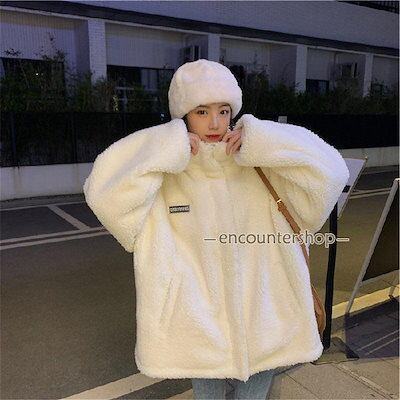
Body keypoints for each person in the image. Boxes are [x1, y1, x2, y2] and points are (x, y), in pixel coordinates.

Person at [83, 59, 349, 399]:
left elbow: (331, 172)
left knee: (256, 388)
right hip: (197, 316)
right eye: (201, 111)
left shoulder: (256, 158)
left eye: (223, 111)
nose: (215, 123)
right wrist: (166, 146)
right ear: (183, 115)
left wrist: (264, 140)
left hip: (264, 310)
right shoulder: (168, 169)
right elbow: (103, 192)